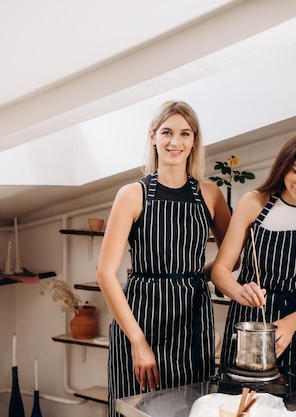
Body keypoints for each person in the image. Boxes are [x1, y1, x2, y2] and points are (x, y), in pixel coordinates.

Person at [95, 101, 231, 416]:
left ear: (194, 140)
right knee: (136, 408)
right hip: (141, 319)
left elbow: (231, 254)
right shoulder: (132, 194)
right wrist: (138, 342)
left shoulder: (210, 194)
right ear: (153, 136)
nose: (175, 142)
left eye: (185, 133)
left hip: (193, 324)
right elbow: (105, 274)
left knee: (191, 407)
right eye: (167, 132)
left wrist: (196, 276)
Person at [211, 128, 296, 369]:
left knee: (292, 403)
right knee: (238, 403)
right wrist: (237, 292)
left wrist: (290, 324)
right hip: (246, 322)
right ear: (285, 164)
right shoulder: (253, 203)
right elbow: (220, 269)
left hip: (294, 330)